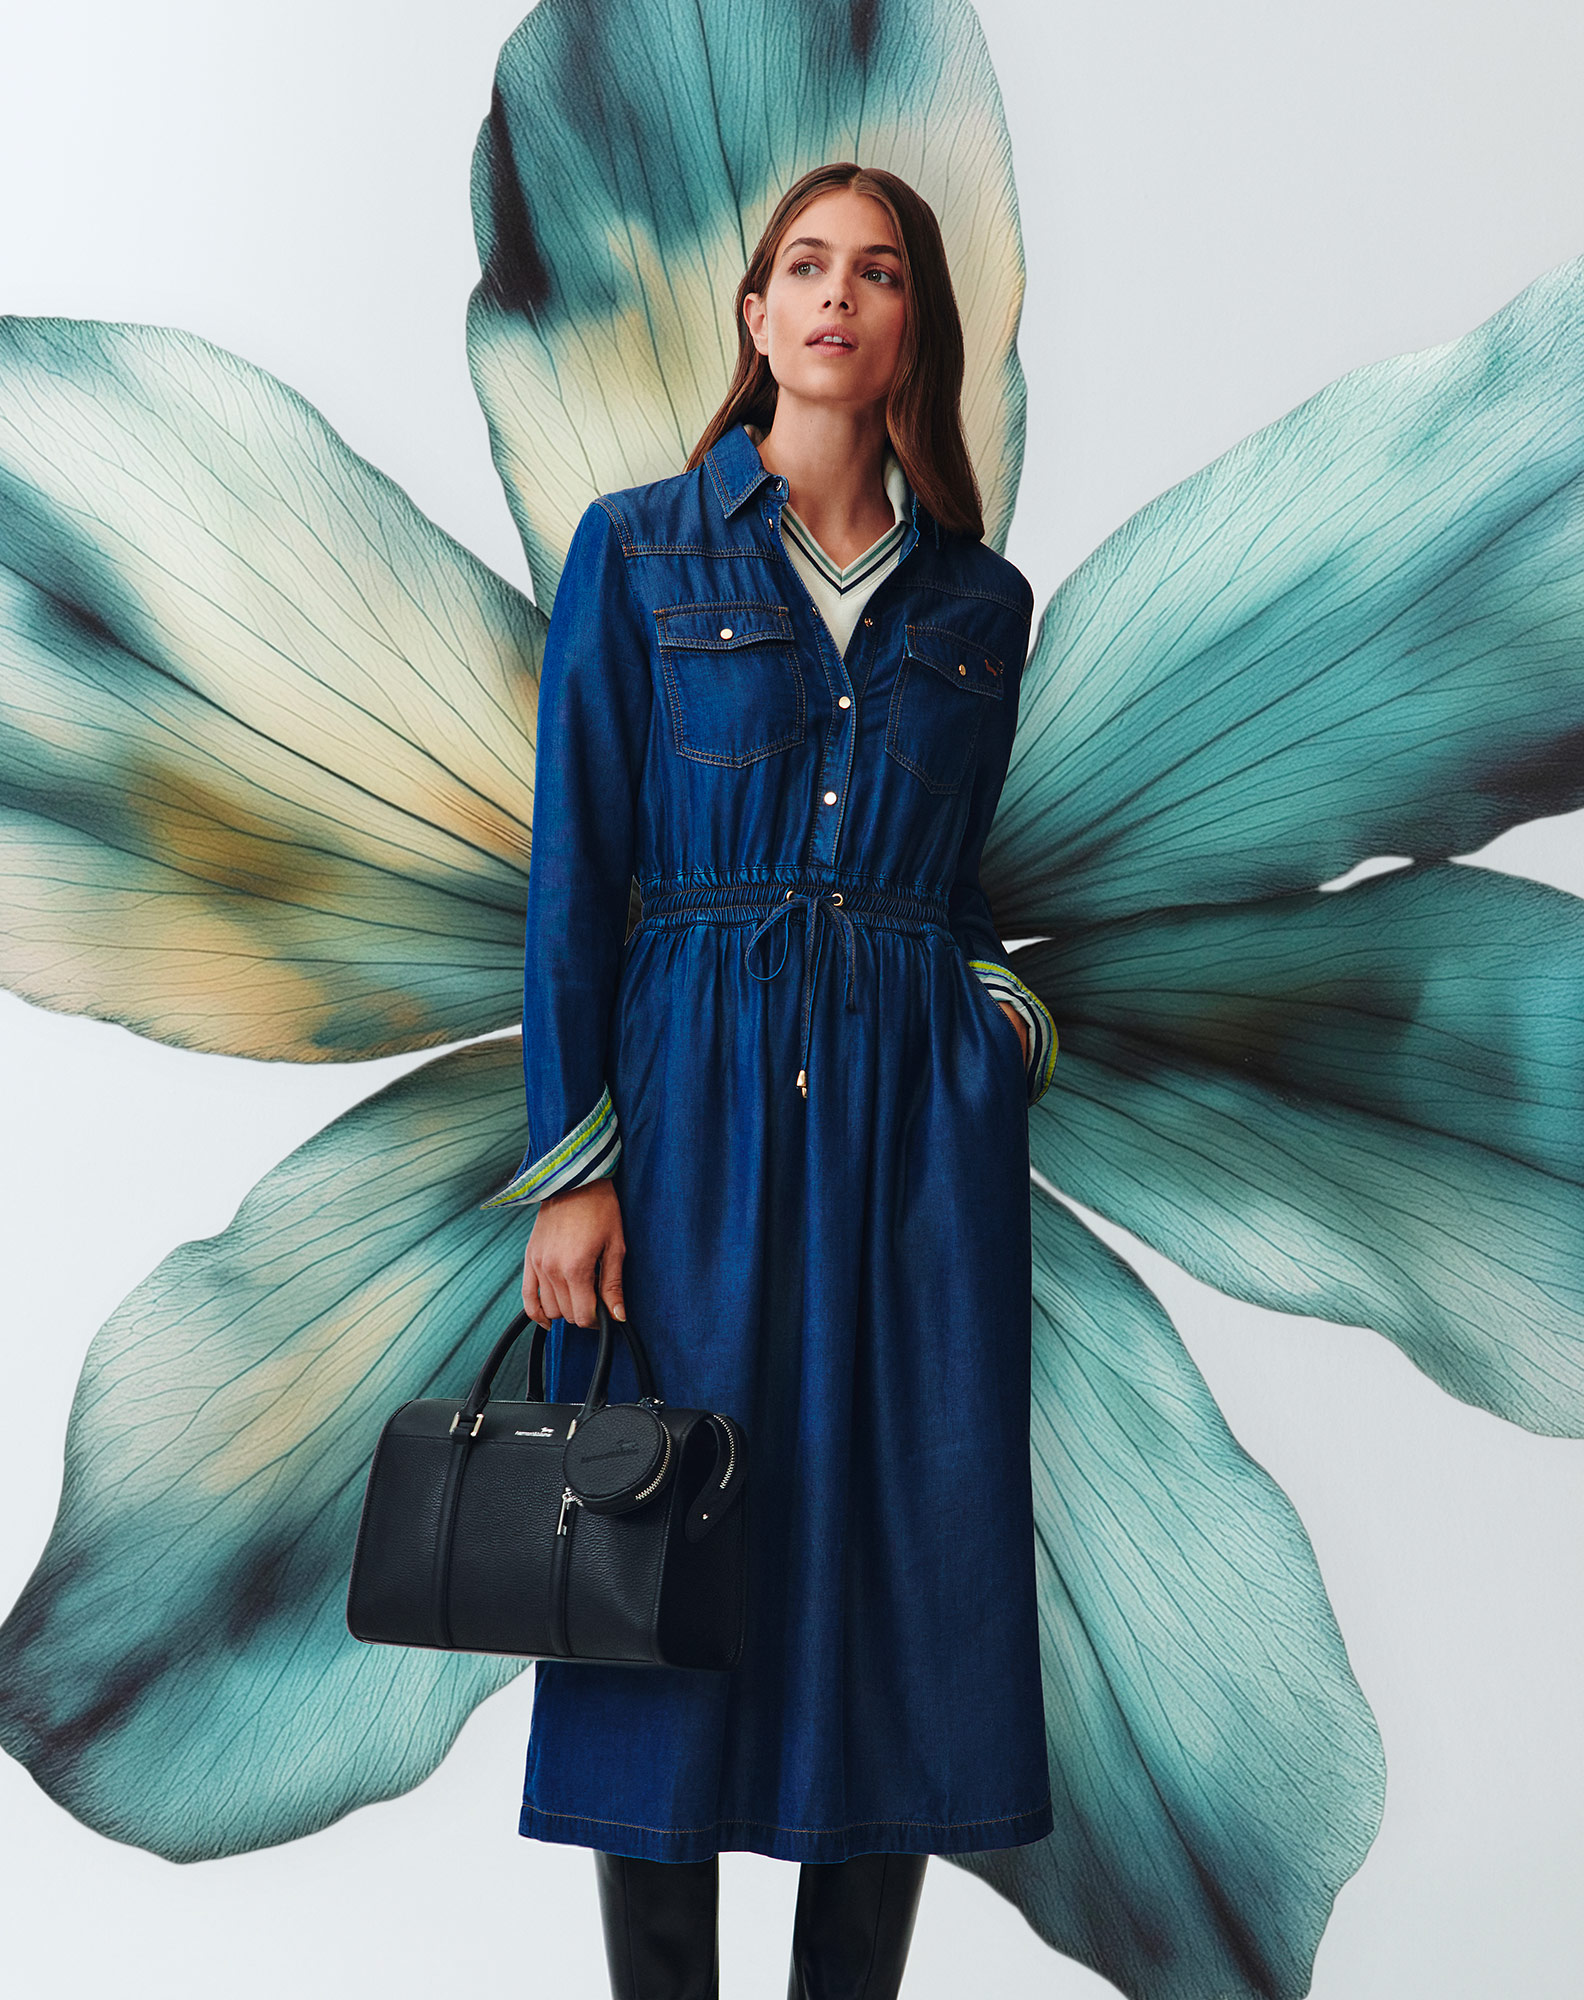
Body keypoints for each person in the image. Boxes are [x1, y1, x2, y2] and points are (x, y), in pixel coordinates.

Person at [482, 160, 1058, 2000]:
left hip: (915, 1154)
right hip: (691, 1121)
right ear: (753, 317)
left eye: (877, 274)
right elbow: (576, 871)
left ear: (912, 330)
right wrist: (577, 1168)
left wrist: (1001, 1035)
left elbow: (960, 880)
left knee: (894, 1569)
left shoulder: (981, 602)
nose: (835, 299)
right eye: (803, 268)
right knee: (661, 1566)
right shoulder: (637, 552)